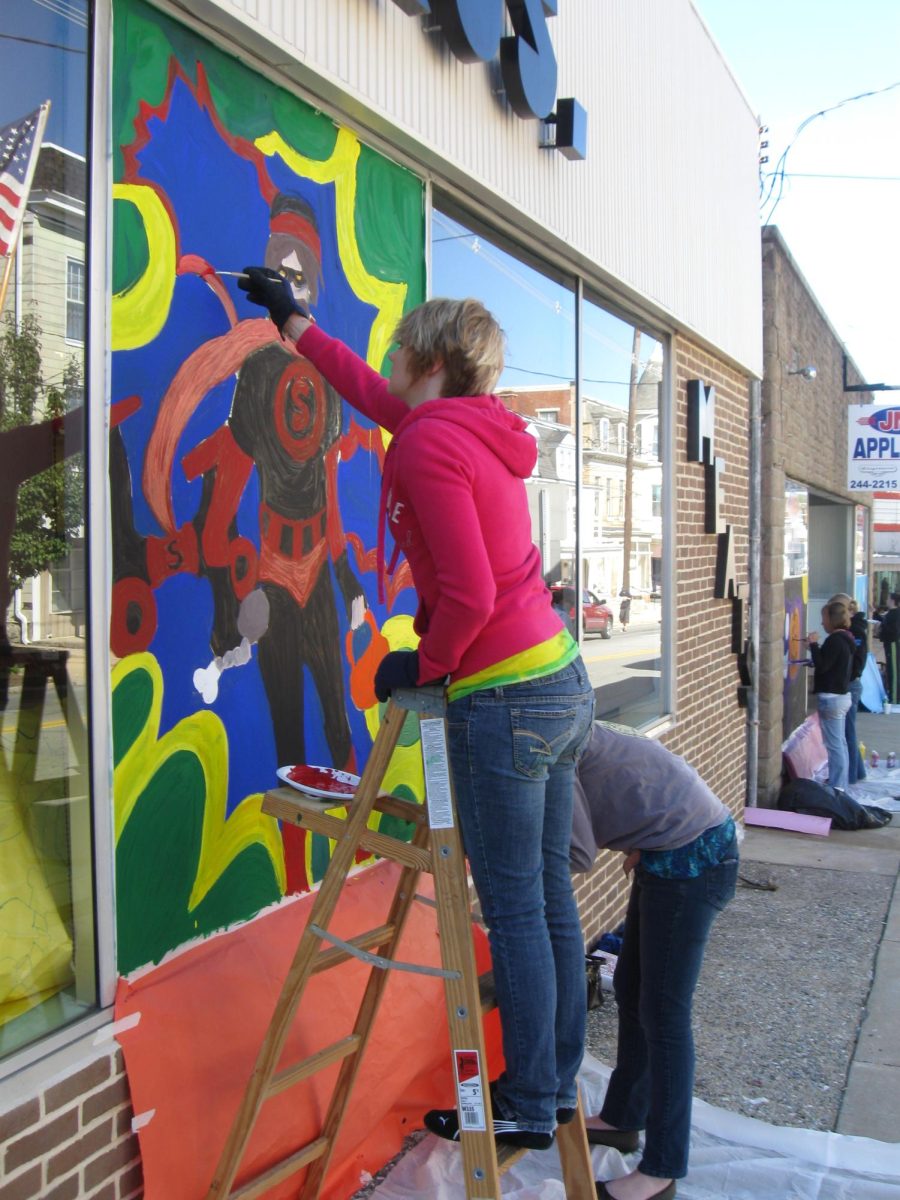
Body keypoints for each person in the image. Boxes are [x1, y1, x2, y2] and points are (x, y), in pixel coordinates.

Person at [239, 267, 596, 1149]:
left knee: (513, 907)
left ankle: (523, 1105)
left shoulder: (432, 443)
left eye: (400, 344)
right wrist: (294, 323)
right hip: (555, 681)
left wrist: (422, 670)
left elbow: (470, 593)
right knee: (546, 897)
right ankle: (551, 1087)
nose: (387, 356)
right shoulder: (461, 427)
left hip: (502, 696)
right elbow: (363, 390)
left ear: (432, 359)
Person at [570, 722, 739, 1200]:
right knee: (630, 985)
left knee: (664, 1015)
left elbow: (577, 855)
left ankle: (661, 1169)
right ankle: (624, 1117)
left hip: (694, 859)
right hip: (669, 848)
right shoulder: (560, 724)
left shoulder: (549, 747)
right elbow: (643, 777)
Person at [806, 599, 855, 792]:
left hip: (832, 698)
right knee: (840, 743)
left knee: (835, 746)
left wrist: (814, 645)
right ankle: (840, 784)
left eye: (824, 618)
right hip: (841, 697)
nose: (822, 623)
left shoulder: (835, 640)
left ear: (832, 619)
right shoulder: (847, 639)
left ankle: (838, 787)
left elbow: (823, 665)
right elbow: (831, 664)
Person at [827, 593, 867, 783]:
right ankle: (856, 772)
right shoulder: (853, 632)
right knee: (847, 733)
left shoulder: (855, 632)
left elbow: (857, 661)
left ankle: (849, 776)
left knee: (846, 734)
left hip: (849, 685)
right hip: (849, 683)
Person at [878, 592, 900, 704]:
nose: (886, 601)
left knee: (893, 669)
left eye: (888, 599)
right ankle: (893, 694)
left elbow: (894, 630)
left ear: (892, 601)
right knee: (891, 669)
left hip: (892, 643)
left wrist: (884, 629)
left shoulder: (895, 614)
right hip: (889, 643)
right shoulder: (891, 613)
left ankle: (895, 697)